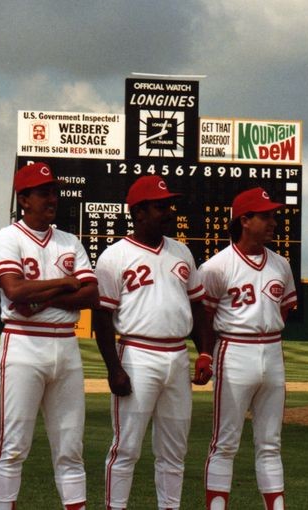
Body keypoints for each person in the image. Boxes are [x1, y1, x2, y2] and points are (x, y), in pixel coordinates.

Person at [93, 175, 215, 510]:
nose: (168, 211)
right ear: (139, 212)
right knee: (126, 447)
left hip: (177, 356)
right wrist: (114, 369)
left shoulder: (182, 252)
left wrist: (205, 352)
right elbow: (102, 319)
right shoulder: (113, 256)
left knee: (174, 450)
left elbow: (197, 307)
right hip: (136, 353)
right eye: (160, 206)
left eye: (168, 205)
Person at [0, 162, 98, 510]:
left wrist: (40, 294)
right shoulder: (7, 237)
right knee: (13, 446)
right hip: (23, 342)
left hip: (66, 346)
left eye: (54, 190)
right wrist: (65, 283)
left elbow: (91, 296)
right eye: (44, 191)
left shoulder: (70, 241)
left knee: (70, 447)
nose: (53, 197)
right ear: (24, 198)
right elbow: (14, 290)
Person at [201, 187, 297, 510]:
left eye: (273, 215)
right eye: (266, 215)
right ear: (244, 219)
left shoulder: (281, 265)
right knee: (225, 443)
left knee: (271, 444)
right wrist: (206, 353)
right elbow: (204, 315)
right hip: (234, 349)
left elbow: (285, 309)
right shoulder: (217, 266)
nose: (273, 222)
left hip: (272, 352)